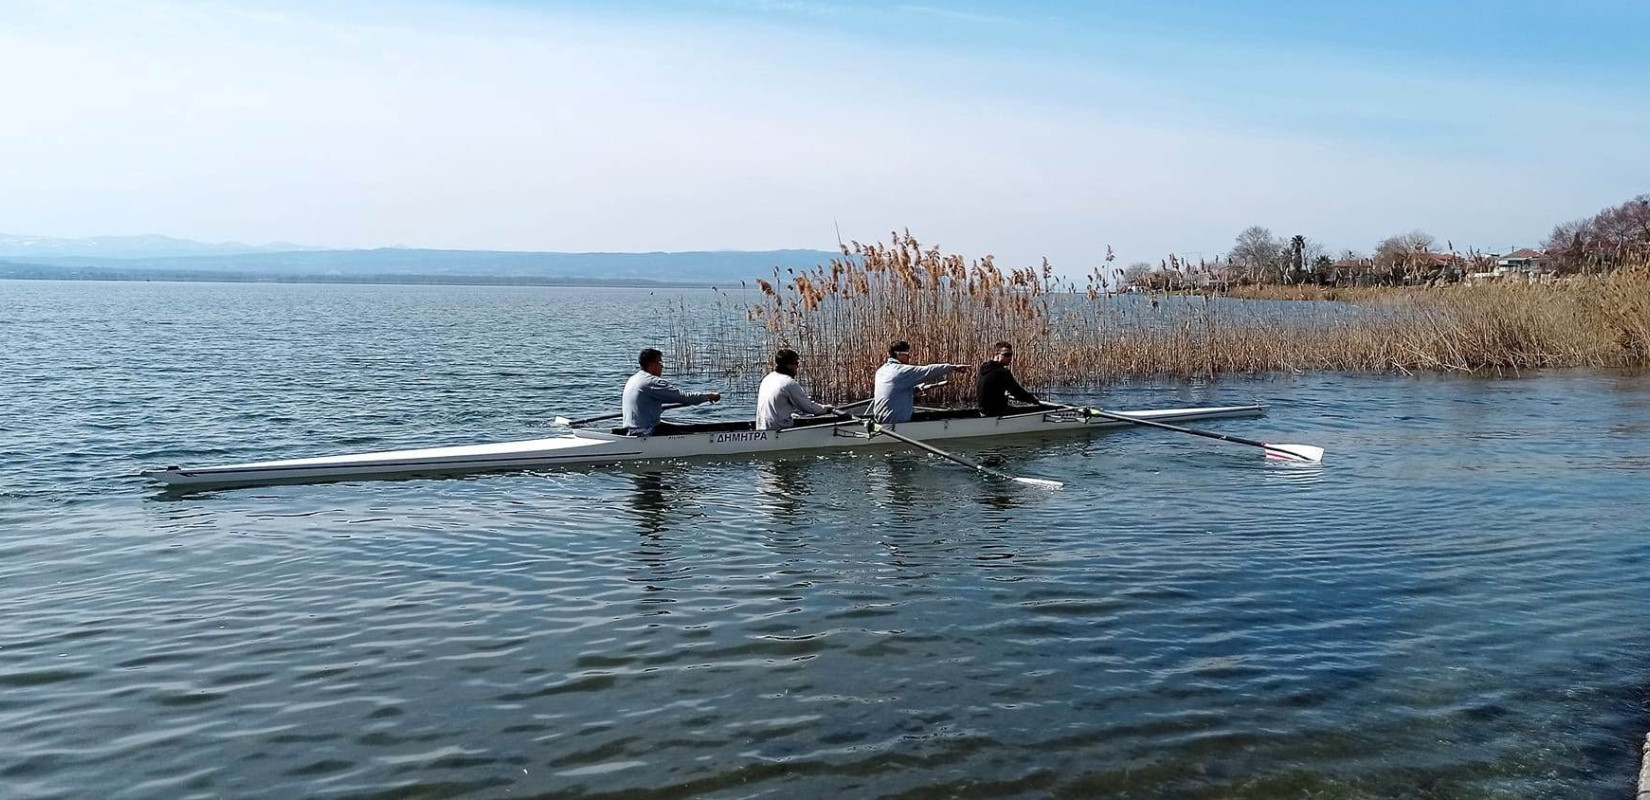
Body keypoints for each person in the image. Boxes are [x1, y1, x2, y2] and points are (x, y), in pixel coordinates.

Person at [621, 348, 720, 436]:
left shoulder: (633, 379)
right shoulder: (651, 382)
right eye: (660, 363)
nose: (662, 367)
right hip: (646, 432)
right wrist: (708, 396)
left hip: (631, 430)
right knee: (688, 434)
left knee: (680, 429)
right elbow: (684, 397)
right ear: (652, 364)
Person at [869, 340, 970, 424]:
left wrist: (915, 389)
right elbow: (929, 370)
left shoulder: (881, 370)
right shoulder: (901, 371)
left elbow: (894, 390)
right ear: (898, 354)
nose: (909, 357)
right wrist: (953, 367)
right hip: (895, 423)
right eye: (907, 354)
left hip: (878, 422)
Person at [756, 349, 836, 431]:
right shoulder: (788, 383)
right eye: (796, 363)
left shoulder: (767, 378)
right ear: (789, 366)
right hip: (778, 429)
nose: (797, 366)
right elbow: (809, 408)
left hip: (761, 428)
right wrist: (827, 408)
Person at [976, 340, 1039, 416]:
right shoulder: (1002, 372)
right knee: (1033, 410)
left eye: (1011, 354)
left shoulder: (983, 368)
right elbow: (1017, 392)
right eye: (1006, 355)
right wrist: (1033, 399)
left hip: (983, 411)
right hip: (996, 413)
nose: (1010, 358)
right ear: (996, 354)